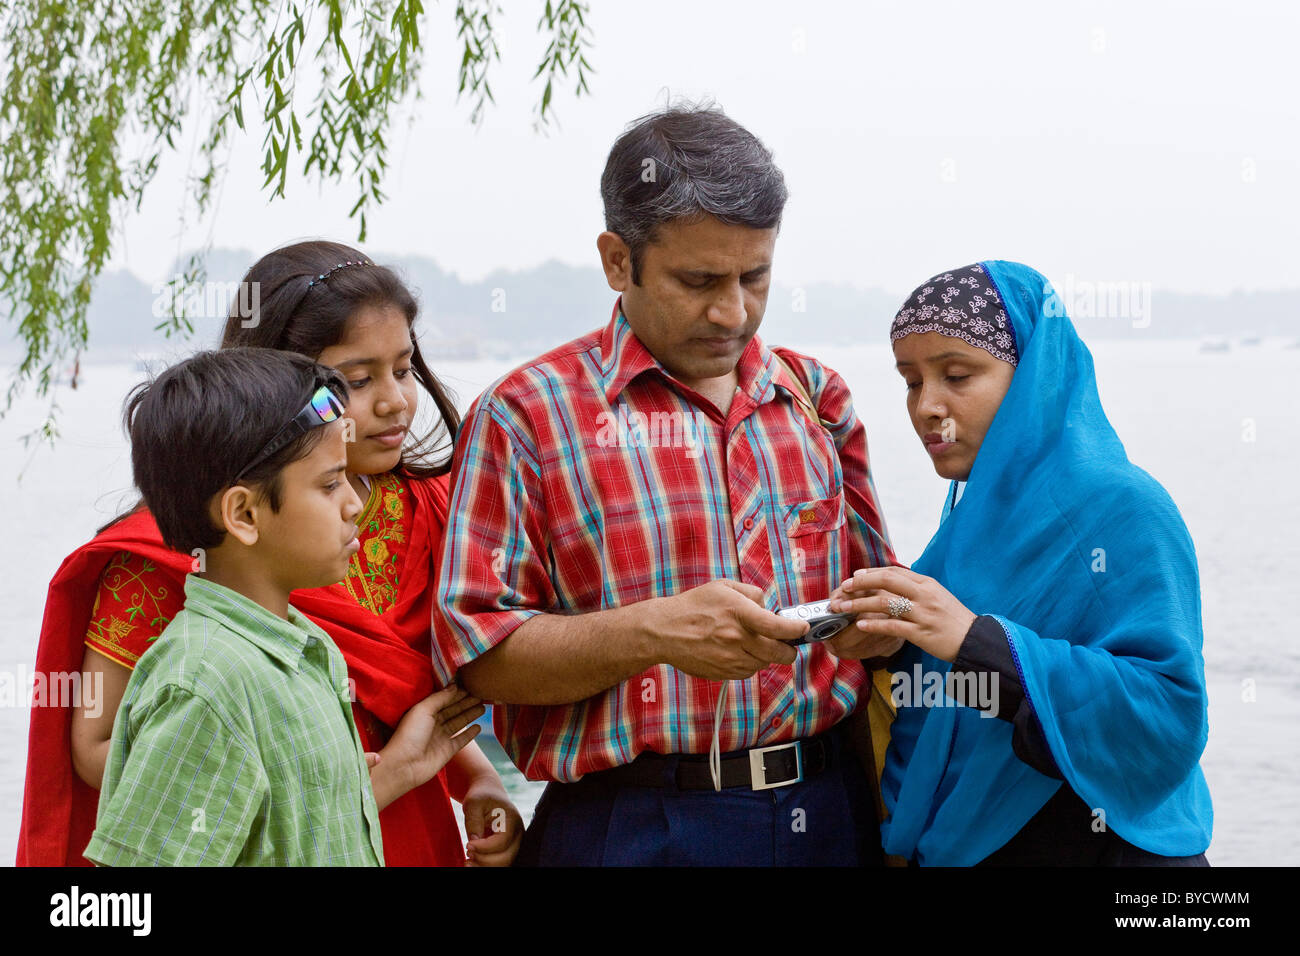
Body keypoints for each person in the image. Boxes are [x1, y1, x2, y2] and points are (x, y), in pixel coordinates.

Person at [432, 102, 901, 866]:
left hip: (832, 811)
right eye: (699, 279)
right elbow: (478, 657)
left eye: (756, 276)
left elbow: (879, 603)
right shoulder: (526, 416)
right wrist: (654, 632)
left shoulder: (818, 396)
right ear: (618, 260)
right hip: (629, 826)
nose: (733, 311)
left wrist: (876, 623)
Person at [17, 241, 523, 867]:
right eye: (358, 381)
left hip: (414, 833)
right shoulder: (173, 557)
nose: (395, 401)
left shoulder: (430, 509)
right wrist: (371, 779)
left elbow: (403, 701)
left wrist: (480, 779)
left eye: (406, 368)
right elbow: (104, 747)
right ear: (279, 384)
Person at [828, 260, 1213, 865]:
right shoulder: (972, 524)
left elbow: (1168, 718)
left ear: (1035, 376)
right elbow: (947, 682)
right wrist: (888, 645)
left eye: (957, 374)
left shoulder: (1123, 509)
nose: (927, 405)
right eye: (910, 380)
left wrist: (976, 640)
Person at [87, 348, 479, 865]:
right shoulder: (204, 685)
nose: (355, 504)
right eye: (330, 483)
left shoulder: (305, 649)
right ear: (244, 514)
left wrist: (398, 770)